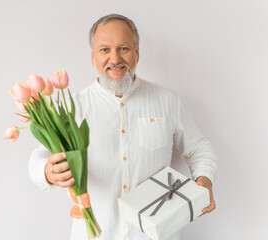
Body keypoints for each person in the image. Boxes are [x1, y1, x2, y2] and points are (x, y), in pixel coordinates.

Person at [28, 13, 217, 240]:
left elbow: (199, 148)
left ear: (137, 52)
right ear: (93, 57)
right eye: (105, 50)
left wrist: (204, 180)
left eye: (124, 48)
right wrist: (48, 172)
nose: (115, 59)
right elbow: (38, 158)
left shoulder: (167, 101)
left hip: (155, 235)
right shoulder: (74, 108)